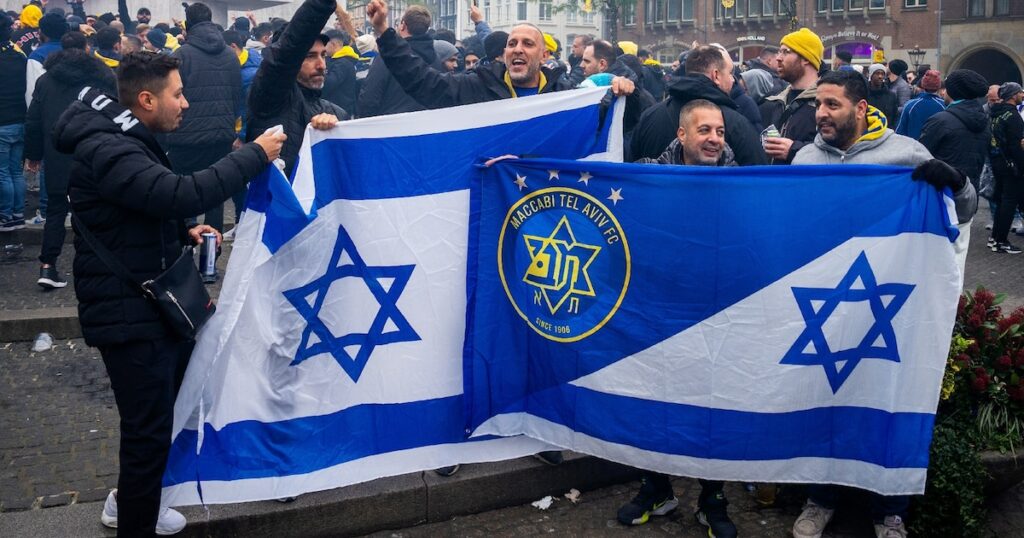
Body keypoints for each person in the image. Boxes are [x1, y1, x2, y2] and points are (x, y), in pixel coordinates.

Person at [53, 51, 285, 537]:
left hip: (146, 307)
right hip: (128, 317)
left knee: (165, 418)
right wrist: (254, 155)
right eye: (177, 94)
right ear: (145, 99)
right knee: (147, 435)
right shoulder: (110, 148)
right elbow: (175, 192)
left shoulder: (123, 138)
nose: (185, 104)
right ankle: (132, 514)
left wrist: (183, 234)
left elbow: (139, 211)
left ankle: (134, 499)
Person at [791, 70, 975, 538]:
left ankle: (889, 507)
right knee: (826, 402)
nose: (822, 113)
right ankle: (820, 497)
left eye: (833, 104)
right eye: (820, 104)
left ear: (861, 108)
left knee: (886, 399)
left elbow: (965, 208)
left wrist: (956, 183)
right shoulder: (806, 158)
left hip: (887, 306)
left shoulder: (906, 153)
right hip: (825, 303)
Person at [618, 100, 738, 538]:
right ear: (682, 135)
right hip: (659, 306)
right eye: (704, 130)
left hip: (717, 307)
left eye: (720, 131)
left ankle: (712, 497)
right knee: (656, 399)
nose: (714, 139)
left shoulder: (744, 181)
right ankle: (656, 487)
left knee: (713, 403)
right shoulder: (649, 173)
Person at [366, 0, 634, 109]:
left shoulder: (563, 96)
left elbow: (613, 122)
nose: (517, 48)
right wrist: (384, 32)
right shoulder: (476, 86)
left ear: (544, 57)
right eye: (512, 43)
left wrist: (627, 94)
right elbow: (422, 81)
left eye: (528, 44)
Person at [25, 32, 116, 288]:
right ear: (87, 48)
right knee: (95, 210)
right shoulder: (103, 77)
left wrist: (34, 155)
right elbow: (114, 111)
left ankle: (47, 266)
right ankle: (98, 268)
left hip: (57, 152)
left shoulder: (45, 81)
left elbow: (33, 121)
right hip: (94, 152)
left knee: (55, 210)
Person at [246, 0, 348, 178]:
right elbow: (284, 56)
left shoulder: (335, 112)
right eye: (310, 56)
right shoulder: (270, 98)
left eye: (323, 55)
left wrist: (333, 127)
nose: (321, 65)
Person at [168, 2, 242, 237]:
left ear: (187, 25)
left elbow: (172, 95)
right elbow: (237, 95)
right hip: (221, 135)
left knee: (182, 192)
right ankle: (211, 259)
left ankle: (187, 241)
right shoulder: (231, 55)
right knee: (215, 195)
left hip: (185, 136)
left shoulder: (181, 55)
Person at [631, 44, 766, 165]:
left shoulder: (649, 116)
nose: (733, 80)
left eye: (720, 132)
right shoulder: (736, 123)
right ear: (716, 75)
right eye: (730, 73)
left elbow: (631, 173)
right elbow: (757, 178)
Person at [919, 69, 990, 198]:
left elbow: (921, 156)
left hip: (941, 194)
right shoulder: (984, 120)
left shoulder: (940, 120)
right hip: (969, 194)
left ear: (953, 92)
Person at [357, 4, 435, 117]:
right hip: (424, 127)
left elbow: (369, 97)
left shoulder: (387, 57)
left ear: (403, 25)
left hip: (391, 126)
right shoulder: (436, 59)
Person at [760, 28, 823, 165]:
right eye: (779, 51)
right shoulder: (776, 101)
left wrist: (794, 150)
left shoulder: (826, 103)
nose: (778, 58)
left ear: (806, 58)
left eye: (786, 52)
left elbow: (837, 151)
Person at [988, 82, 1024, 253]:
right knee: (1009, 203)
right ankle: (1001, 241)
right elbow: (1015, 146)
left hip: (997, 161)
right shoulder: (1013, 117)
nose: (1022, 95)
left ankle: (994, 238)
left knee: (1002, 201)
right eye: (1020, 92)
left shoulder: (996, 114)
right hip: (1012, 165)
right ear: (1012, 95)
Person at [0, 12, 27, 232]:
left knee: (2, 172)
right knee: (16, 171)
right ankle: (18, 213)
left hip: (2, 122)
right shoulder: (20, 56)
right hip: (20, 118)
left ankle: (5, 216)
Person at [894, 69, 945, 139]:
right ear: (938, 86)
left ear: (923, 84)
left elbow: (900, 132)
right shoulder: (944, 105)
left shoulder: (910, 105)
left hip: (913, 147)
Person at [322, 29, 358, 116]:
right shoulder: (338, 61)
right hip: (335, 109)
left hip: (339, 111)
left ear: (333, 44)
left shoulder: (342, 63)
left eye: (324, 45)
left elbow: (328, 84)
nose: (323, 48)